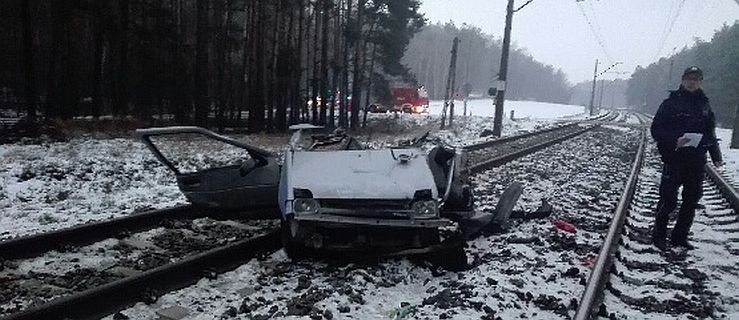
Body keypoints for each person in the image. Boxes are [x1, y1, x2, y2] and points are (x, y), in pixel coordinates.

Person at [650, 66, 723, 251]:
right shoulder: (670, 103)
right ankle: (659, 236)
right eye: (689, 78)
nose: (692, 82)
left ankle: (679, 237)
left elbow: (710, 132)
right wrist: (674, 140)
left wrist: (716, 156)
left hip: (697, 161)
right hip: (674, 158)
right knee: (668, 200)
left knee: (691, 200)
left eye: (696, 79)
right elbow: (656, 129)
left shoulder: (705, 105)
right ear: (683, 80)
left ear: (700, 82)